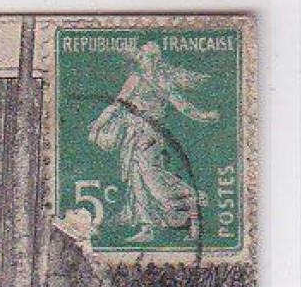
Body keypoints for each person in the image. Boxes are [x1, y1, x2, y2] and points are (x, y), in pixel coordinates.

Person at [88, 42, 220, 245]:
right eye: (144, 57)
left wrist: (97, 127)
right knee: (138, 179)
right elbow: (119, 106)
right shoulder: (145, 80)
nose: (146, 61)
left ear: (155, 60)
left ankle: (192, 199)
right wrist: (204, 115)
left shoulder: (145, 80)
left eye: (150, 58)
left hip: (147, 136)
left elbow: (181, 106)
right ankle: (148, 226)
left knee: (152, 179)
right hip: (135, 135)